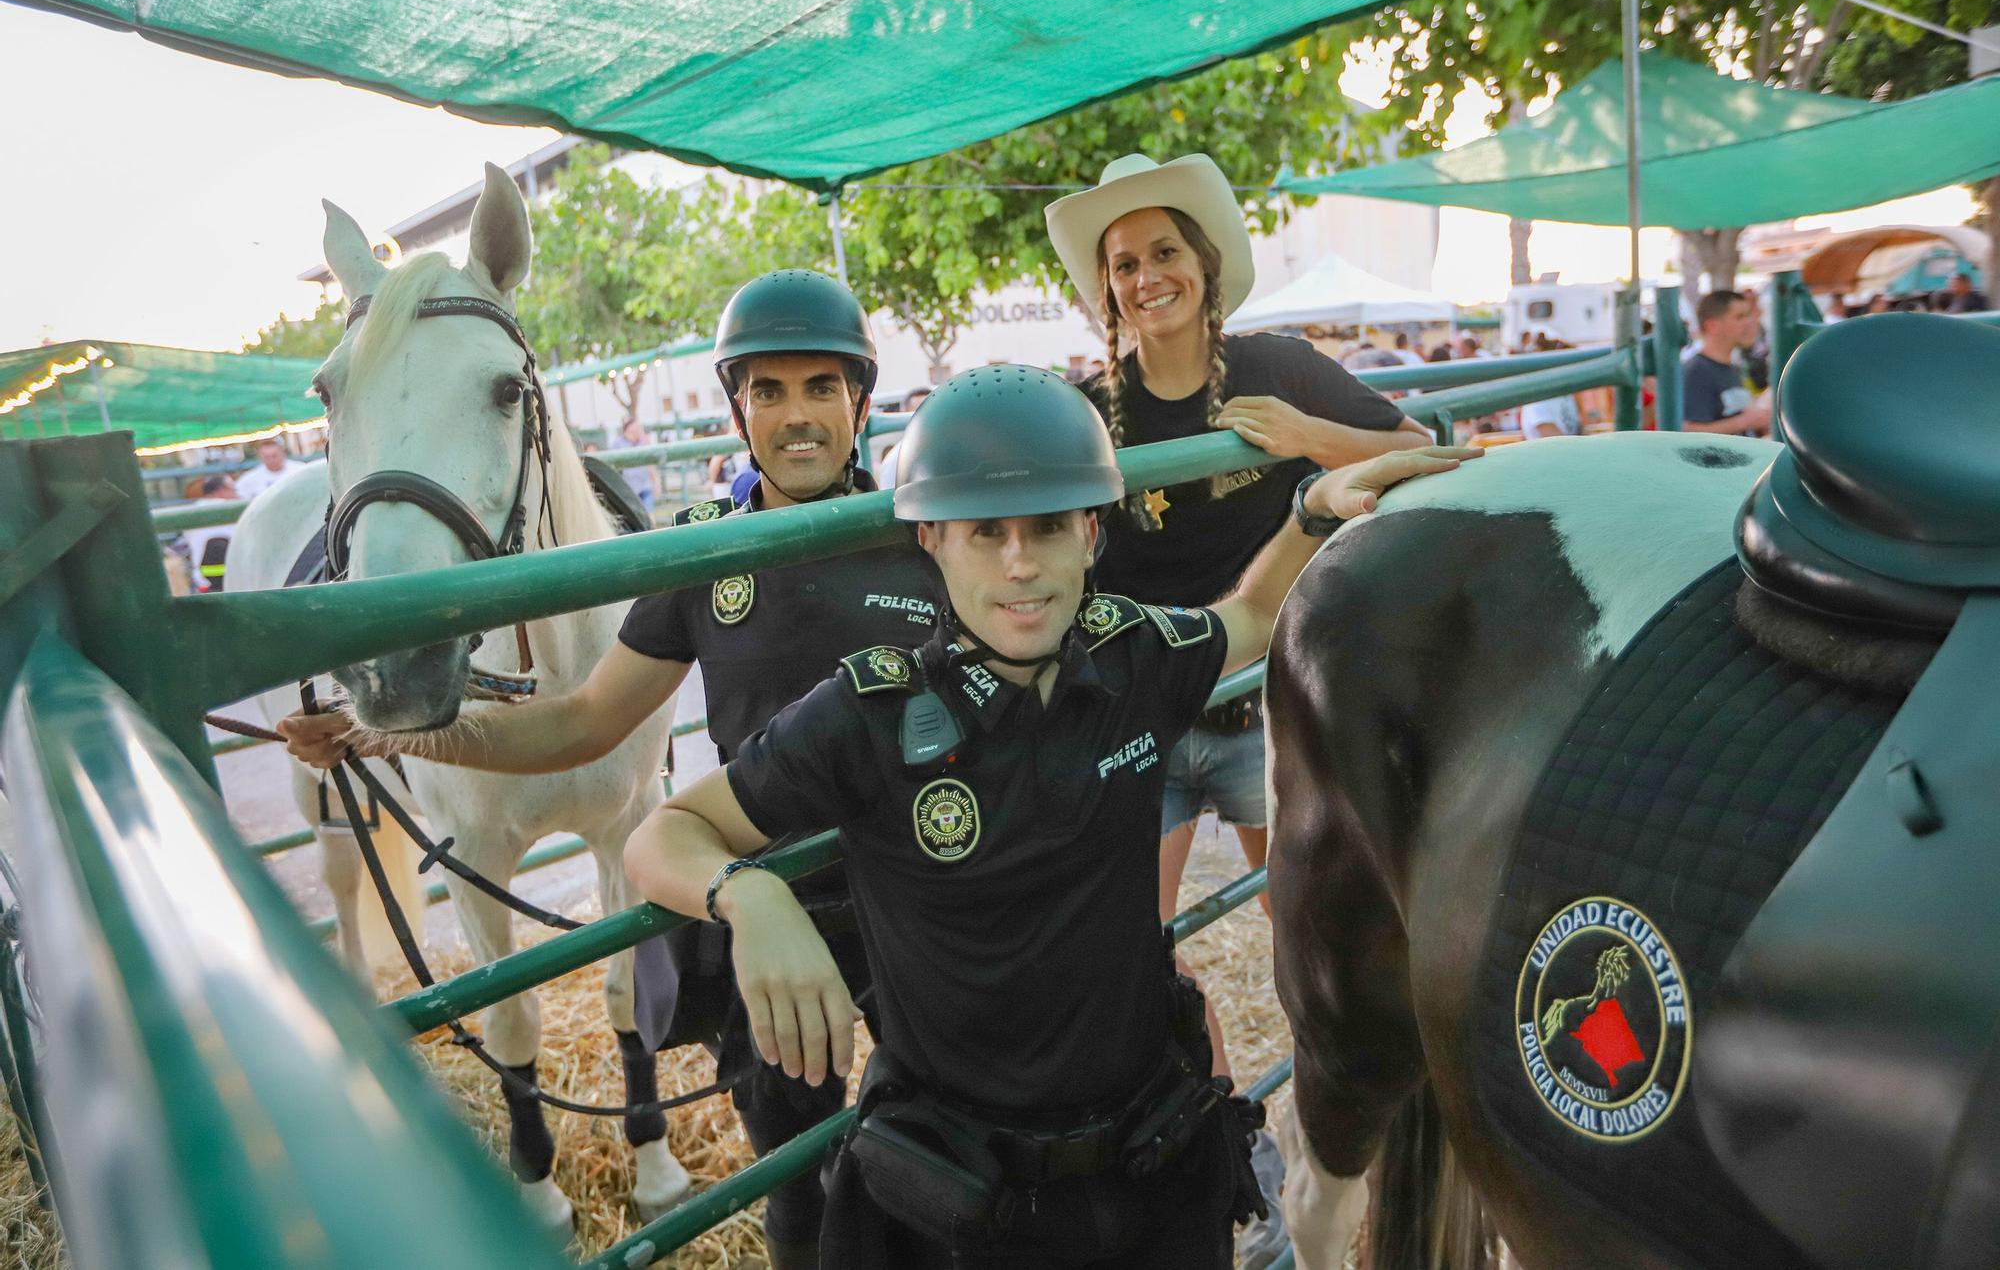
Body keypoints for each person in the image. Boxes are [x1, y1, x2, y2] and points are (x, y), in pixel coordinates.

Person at [622, 367, 1477, 1268]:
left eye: (1050, 527)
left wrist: (1313, 508)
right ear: (932, 541)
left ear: (1092, 534)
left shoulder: (1134, 653)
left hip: (1151, 1172)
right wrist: (748, 896)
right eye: (985, 532)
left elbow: (1252, 613)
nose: (1021, 563)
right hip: (966, 1202)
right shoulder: (867, 713)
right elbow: (662, 836)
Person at [277, 269, 936, 1270]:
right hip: (776, 914)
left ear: (859, 399)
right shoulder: (692, 560)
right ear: (737, 407)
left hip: (920, 906)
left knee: (931, 1161)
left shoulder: (924, 538)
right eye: (766, 390)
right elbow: (582, 722)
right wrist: (396, 737)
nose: (795, 417)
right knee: (795, 1184)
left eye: (819, 388)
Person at [1043, 152, 1432, 1257]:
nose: (1144, 275)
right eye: (1122, 262)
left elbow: (1422, 452)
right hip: (1145, 722)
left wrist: (1308, 441)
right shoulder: (1083, 414)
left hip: (1277, 712)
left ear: (1203, 268)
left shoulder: (1277, 367)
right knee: (1136, 947)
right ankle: (1236, 1134)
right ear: (1104, 288)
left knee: (1319, 931)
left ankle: (1347, 1141)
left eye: (1163, 251)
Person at [1681, 289, 1771, 436]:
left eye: (1749, 316)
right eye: (1740, 317)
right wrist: (1746, 421)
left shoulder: (1733, 368)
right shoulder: (1696, 371)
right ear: (1712, 326)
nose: (1750, 323)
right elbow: (1688, 431)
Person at [179, 473, 239, 592]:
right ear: (221, 491)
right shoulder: (233, 510)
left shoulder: (188, 513)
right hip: (236, 579)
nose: (236, 494)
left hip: (201, 581)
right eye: (233, 489)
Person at [873, 385, 932, 487]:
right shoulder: (895, 461)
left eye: (931, 410)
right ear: (904, 416)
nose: (927, 418)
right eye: (918, 412)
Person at [611, 415, 658, 516]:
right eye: (636, 426)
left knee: (650, 517)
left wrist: (655, 482)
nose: (639, 429)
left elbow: (650, 464)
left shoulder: (644, 441)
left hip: (645, 486)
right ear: (628, 428)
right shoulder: (617, 444)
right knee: (634, 518)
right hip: (629, 488)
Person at [233, 436, 303, 499]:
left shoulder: (299, 469)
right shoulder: (251, 477)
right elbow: (237, 494)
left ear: (282, 453)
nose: (271, 460)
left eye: (274, 456)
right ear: (260, 457)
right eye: (267, 457)